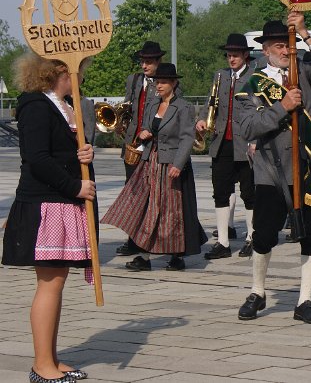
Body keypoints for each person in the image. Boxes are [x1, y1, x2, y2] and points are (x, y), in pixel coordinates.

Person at [234, 15, 311, 324]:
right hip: (271, 170)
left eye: (288, 44)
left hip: (309, 167)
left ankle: (305, 299)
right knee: (264, 235)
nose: (285, 50)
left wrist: (305, 34)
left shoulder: (303, 73)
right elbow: (248, 127)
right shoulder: (250, 83)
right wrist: (283, 108)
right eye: (280, 45)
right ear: (265, 50)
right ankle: (258, 291)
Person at [2, 55, 96, 383]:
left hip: (63, 202)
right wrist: (75, 185)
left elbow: (59, 153)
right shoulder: (35, 105)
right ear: (60, 71)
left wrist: (82, 154)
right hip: (47, 204)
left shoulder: (63, 104)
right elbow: (37, 158)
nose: (80, 78)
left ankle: (51, 359)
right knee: (49, 283)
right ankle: (42, 364)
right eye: (77, 72)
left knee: (56, 282)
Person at [102, 63, 207, 272]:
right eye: (157, 82)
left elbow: (187, 138)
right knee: (145, 207)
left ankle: (176, 255)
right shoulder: (152, 104)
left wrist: (178, 164)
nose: (158, 86)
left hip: (171, 165)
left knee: (172, 210)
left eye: (163, 82)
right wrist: (144, 132)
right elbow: (148, 126)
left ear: (174, 83)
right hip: (149, 162)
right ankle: (143, 255)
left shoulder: (184, 107)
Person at [197, 34, 257, 259]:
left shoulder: (255, 76)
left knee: (250, 193)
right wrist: (202, 119)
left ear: (245, 55)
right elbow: (210, 102)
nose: (231, 59)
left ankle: (252, 237)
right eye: (228, 55)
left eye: (235, 55)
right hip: (222, 141)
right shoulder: (220, 75)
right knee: (221, 192)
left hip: (247, 143)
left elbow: (263, 110)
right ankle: (223, 242)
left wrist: (257, 141)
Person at [114, 41, 165, 257]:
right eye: (143, 61)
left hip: (153, 144)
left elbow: (167, 110)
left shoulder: (166, 82)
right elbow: (129, 105)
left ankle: (151, 239)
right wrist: (119, 121)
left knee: (153, 193)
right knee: (132, 192)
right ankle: (133, 239)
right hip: (132, 143)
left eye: (149, 61)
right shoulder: (133, 80)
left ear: (158, 62)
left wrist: (151, 130)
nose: (145, 65)